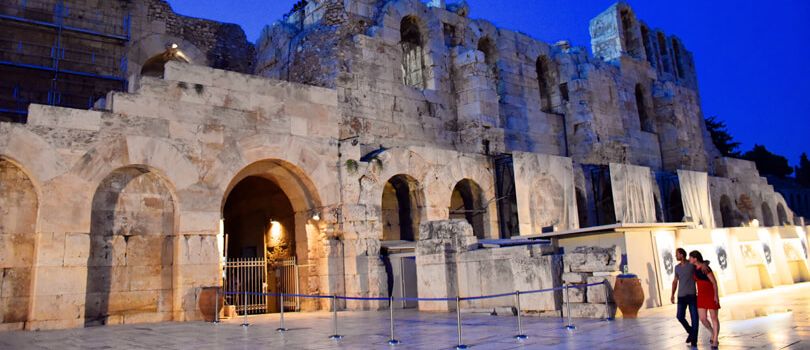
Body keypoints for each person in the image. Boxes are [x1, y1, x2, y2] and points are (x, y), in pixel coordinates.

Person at [689, 250, 721, 348]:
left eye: (690, 257)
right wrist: (704, 263)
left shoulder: (706, 268)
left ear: (695, 258)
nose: (689, 259)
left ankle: (715, 339)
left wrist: (716, 296)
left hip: (710, 295)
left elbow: (714, 282)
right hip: (701, 296)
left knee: (714, 318)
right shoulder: (694, 267)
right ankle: (712, 332)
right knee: (703, 319)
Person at [671, 248, 698, 347]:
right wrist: (672, 294)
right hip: (681, 296)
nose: (675, 256)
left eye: (677, 254)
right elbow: (675, 281)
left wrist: (704, 264)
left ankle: (694, 340)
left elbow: (700, 265)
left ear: (682, 255)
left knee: (694, 317)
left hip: (691, 295)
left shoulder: (691, 265)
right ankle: (691, 332)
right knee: (679, 316)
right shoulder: (676, 267)